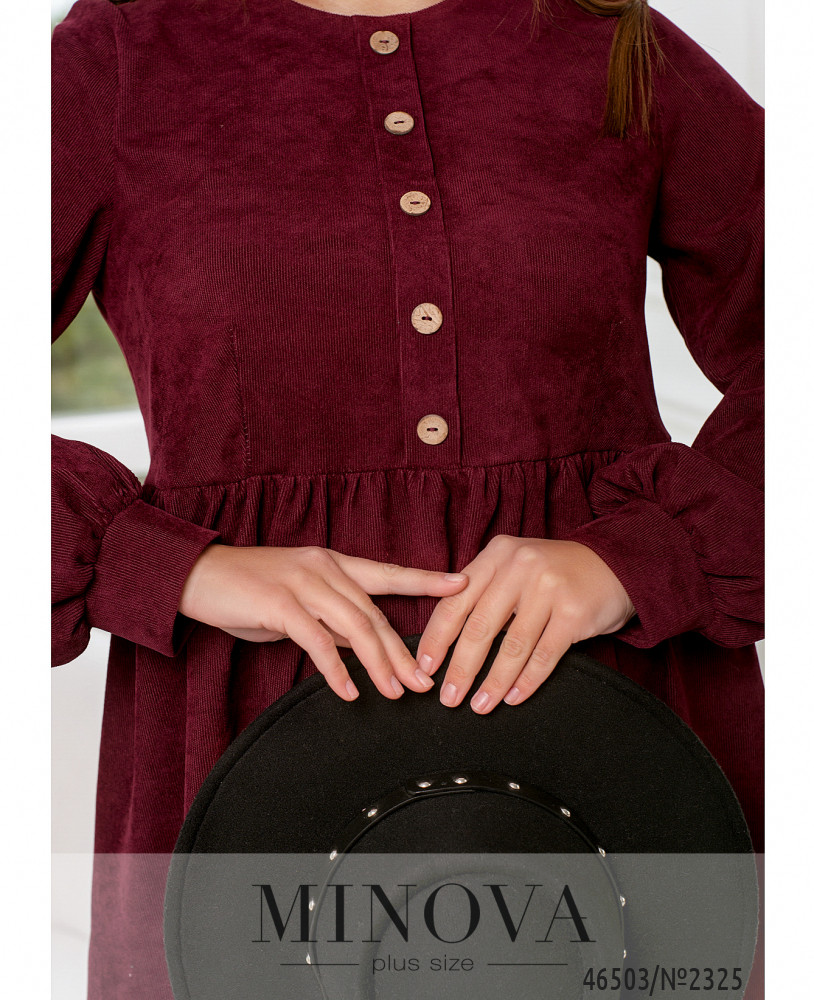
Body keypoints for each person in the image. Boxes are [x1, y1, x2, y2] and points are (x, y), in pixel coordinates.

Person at [51, 0, 764, 996]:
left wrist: (644, 554)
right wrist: (163, 563)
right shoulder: (120, 56)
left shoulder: (608, 39)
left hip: (615, 729)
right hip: (248, 741)